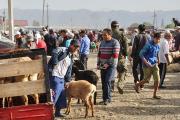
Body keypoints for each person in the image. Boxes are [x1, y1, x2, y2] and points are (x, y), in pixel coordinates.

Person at [49, 40, 79, 117]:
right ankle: (49, 114)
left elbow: (69, 69)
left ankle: (57, 113)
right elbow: (54, 52)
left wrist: (68, 80)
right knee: (54, 95)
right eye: (75, 47)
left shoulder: (71, 56)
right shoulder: (62, 49)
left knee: (61, 96)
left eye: (77, 47)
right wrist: (55, 62)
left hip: (62, 77)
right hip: (54, 75)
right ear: (71, 45)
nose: (76, 49)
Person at [134, 32, 161, 99]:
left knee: (157, 79)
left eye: (159, 39)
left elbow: (156, 53)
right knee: (146, 80)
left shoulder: (158, 45)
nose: (158, 40)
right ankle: (137, 84)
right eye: (157, 39)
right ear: (154, 38)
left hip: (154, 64)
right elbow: (141, 54)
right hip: (147, 65)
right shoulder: (148, 45)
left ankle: (154, 94)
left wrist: (158, 59)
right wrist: (146, 63)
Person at [97, 28, 120, 105]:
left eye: (105, 35)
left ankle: (108, 98)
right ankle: (104, 98)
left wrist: (108, 64)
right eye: (102, 35)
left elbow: (115, 55)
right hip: (102, 65)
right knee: (103, 82)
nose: (103, 36)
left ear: (110, 35)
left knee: (107, 80)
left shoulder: (115, 42)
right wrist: (98, 63)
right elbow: (99, 53)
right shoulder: (102, 42)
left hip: (111, 66)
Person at [111, 20, 128, 94]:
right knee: (123, 71)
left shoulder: (108, 33)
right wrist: (126, 54)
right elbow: (126, 45)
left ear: (111, 26)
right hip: (120, 56)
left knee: (111, 72)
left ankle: (110, 88)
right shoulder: (121, 34)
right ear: (118, 26)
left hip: (110, 57)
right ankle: (120, 85)